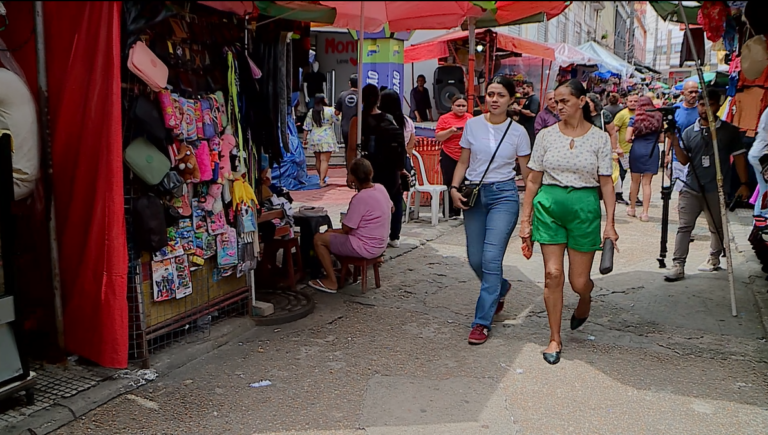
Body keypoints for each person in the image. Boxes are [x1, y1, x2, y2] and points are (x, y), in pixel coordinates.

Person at [519, 79, 619, 365]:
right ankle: (554, 338)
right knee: (553, 274)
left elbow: (606, 183)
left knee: (578, 281)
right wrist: (525, 220)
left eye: (565, 101)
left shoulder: (599, 138)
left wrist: (610, 223)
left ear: (581, 101)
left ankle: (585, 298)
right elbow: (533, 179)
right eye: (556, 101)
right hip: (549, 206)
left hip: (584, 207)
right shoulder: (546, 136)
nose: (558, 106)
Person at [448, 76, 532, 346]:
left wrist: (530, 207)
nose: (494, 100)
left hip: (503, 196)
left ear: (511, 100)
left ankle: (481, 322)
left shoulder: (518, 132)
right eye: (490, 94)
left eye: (501, 95)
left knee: (491, 259)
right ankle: (501, 287)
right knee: (475, 259)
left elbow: (527, 172)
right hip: (474, 195)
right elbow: (463, 161)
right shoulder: (472, 125)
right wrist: (453, 188)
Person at [664, 90, 751, 281]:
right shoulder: (689, 132)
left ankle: (714, 257)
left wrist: (744, 184)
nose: (705, 109)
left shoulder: (728, 131)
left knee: (717, 227)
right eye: (702, 105)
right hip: (691, 186)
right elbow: (684, 160)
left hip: (717, 188)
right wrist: (675, 143)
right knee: (684, 227)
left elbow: (739, 158)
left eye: (710, 104)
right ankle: (678, 264)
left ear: (718, 105)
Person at [309, 158, 392, 293]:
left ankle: (331, 282)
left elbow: (346, 229)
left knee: (319, 239)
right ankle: (346, 271)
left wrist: (332, 231)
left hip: (364, 247)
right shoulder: (380, 188)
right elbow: (391, 208)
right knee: (332, 235)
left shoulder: (360, 198)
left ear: (353, 177)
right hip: (380, 244)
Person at [347, 85, 407, 248]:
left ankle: (371, 237)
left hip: (366, 169)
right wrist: (400, 168)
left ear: (362, 99)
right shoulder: (390, 118)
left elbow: (352, 148)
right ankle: (393, 236)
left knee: (367, 203)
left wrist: (350, 172)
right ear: (378, 99)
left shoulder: (357, 120)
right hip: (390, 169)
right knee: (393, 200)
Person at [378, 88, 415, 247]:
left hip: (383, 163)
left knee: (380, 199)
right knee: (397, 199)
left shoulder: (380, 120)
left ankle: (379, 235)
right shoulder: (406, 121)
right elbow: (411, 144)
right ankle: (395, 236)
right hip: (402, 161)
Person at [625, 96, 663, 221]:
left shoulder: (634, 119)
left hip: (637, 149)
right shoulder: (658, 119)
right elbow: (662, 139)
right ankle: (645, 212)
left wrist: (635, 139)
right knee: (647, 183)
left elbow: (627, 138)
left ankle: (632, 208)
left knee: (634, 181)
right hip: (652, 150)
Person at [435, 94, 473, 218]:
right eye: (458, 106)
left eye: (463, 106)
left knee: (465, 183)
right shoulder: (444, 118)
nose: (461, 108)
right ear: (452, 106)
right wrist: (451, 131)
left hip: (466, 155)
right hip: (449, 154)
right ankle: (449, 212)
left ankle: (465, 209)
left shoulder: (470, 118)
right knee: (449, 182)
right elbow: (438, 137)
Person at [666, 80, 701, 194]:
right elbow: (670, 135)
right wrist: (667, 154)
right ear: (683, 93)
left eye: (696, 92)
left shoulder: (702, 109)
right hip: (678, 156)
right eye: (690, 92)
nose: (694, 95)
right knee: (682, 189)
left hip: (698, 156)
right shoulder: (675, 110)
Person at [303, 94, 339, 187]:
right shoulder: (330, 110)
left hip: (314, 136)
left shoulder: (311, 111)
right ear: (323, 100)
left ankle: (320, 178)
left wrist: (304, 139)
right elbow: (337, 120)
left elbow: (306, 126)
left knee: (318, 159)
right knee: (324, 160)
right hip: (327, 136)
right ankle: (322, 180)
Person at [613, 93, 640, 206]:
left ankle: (634, 196)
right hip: (624, 150)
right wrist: (617, 147)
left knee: (637, 175)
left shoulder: (641, 114)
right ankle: (618, 195)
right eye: (630, 101)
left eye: (635, 101)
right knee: (621, 174)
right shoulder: (622, 115)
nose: (633, 103)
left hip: (637, 150)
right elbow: (613, 131)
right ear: (626, 102)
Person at [511, 80, 540, 146]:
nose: (522, 91)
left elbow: (532, 113)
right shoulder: (528, 99)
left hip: (529, 128)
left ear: (530, 88)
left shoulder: (534, 99)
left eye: (524, 88)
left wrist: (520, 109)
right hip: (525, 127)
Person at [335, 74, 358, 151]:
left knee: (348, 148)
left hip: (346, 126)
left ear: (349, 83)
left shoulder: (342, 95)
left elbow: (336, 112)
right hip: (359, 126)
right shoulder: (362, 95)